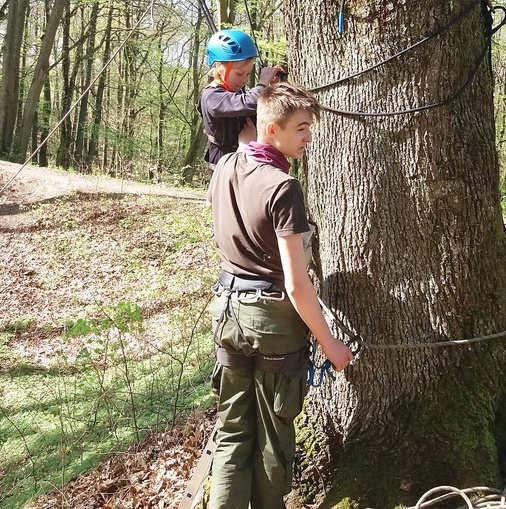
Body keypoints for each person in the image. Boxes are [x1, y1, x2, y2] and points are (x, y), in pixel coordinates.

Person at [206, 82, 355, 509]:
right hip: (271, 322)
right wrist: (330, 345)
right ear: (271, 129)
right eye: (302, 128)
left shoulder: (225, 167)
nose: (309, 137)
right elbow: (295, 282)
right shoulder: (282, 188)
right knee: (272, 439)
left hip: (227, 314)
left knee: (233, 433)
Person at [198, 29, 285, 171]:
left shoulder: (238, 93)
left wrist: (272, 88)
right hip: (224, 166)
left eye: (248, 74)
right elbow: (247, 103)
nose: (244, 79)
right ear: (220, 68)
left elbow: (264, 112)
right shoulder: (212, 97)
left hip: (246, 162)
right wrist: (262, 84)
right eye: (239, 73)